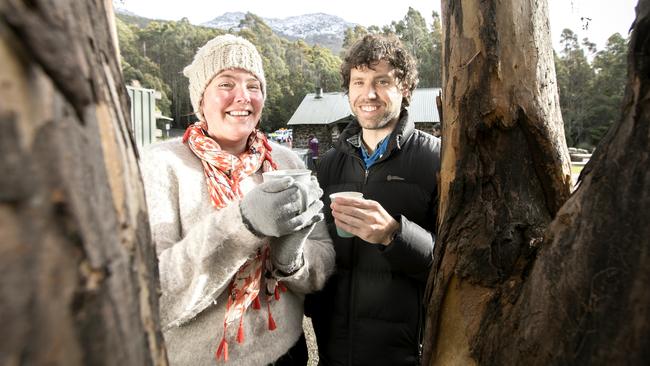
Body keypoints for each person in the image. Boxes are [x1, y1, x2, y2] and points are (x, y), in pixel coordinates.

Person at [140, 34, 335, 366]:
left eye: (253, 86)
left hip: (286, 352)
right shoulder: (160, 166)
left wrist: (291, 261)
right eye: (226, 83)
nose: (243, 96)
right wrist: (243, 223)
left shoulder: (285, 163)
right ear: (201, 99)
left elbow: (324, 259)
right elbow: (155, 297)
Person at [305, 34, 441, 365]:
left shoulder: (438, 161)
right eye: (359, 82)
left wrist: (394, 235)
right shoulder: (327, 166)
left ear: (405, 88)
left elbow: (456, 267)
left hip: (403, 355)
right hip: (333, 353)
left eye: (382, 81)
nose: (369, 93)